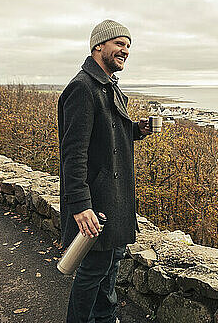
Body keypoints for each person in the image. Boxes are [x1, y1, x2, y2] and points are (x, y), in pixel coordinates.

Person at [58, 20, 152, 323]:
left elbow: (110, 134)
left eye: (128, 45)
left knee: (109, 269)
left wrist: (137, 129)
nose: (125, 50)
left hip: (115, 199)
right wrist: (81, 205)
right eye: (119, 44)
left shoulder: (108, 85)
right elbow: (73, 154)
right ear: (99, 45)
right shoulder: (83, 88)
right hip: (97, 202)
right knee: (92, 273)